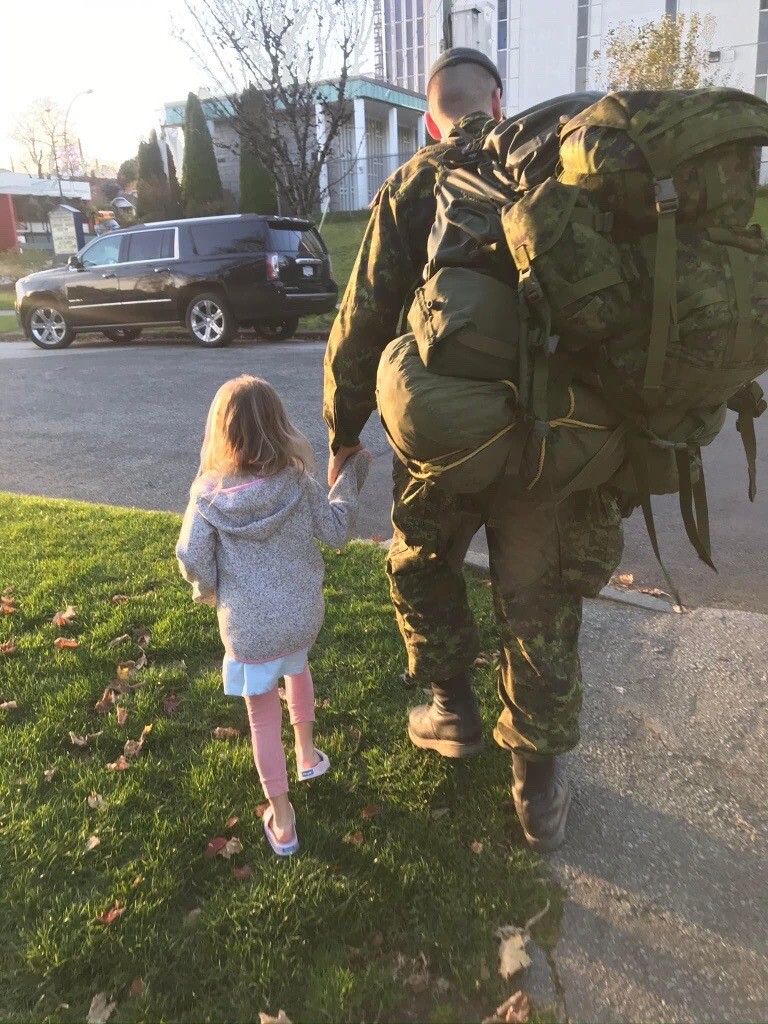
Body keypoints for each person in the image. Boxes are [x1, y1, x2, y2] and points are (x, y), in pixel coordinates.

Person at [323, 49, 623, 851]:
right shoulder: (549, 160)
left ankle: (451, 709)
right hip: (546, 436)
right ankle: (538, 786)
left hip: (448, 435)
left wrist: (343, 429)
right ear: (498, 98)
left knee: (422, 559)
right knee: (538, 595)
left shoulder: (415, 182)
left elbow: (361, 319)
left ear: (430, 116)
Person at [176, 375, 371, 856]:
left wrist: (208, 590)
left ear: (219, 432)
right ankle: (307, 755)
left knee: (262, 717)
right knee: (297, 666)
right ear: (278, 425)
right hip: (302, 616)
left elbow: (190, 555)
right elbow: (336, 530)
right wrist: (352, 475)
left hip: (248, 630)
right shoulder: (298, 482)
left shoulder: (207, 495)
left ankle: (282, 822)